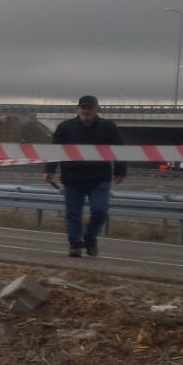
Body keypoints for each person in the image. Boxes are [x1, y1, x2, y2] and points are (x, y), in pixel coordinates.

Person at [43, 94, 126, 257]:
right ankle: (75, 244)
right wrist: (49, 170)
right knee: (73, 214)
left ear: (97, 109)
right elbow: (55, 150)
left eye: (90, 108)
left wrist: (120, 171)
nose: (86, 111)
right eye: (83, 108)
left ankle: (90, 237)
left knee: (100, 211)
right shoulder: (65, 127)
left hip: (99, 178)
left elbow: (120, 149)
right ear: (78, 108)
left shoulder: (108, 127)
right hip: (73, 178)